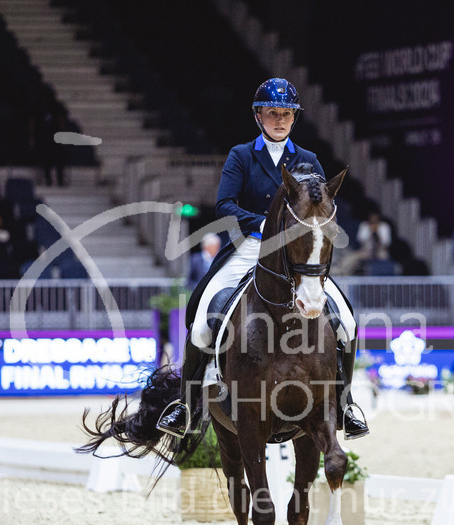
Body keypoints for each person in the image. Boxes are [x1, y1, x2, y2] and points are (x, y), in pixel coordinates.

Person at [156, 77, 368, 440]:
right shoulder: (241, 155)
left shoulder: (307, 160)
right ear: (259, 116)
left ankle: (345, 405)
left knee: (346, 321)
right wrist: (266, 225)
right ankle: (186, 405)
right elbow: (225, 205)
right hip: (251, 244)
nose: (280, 120)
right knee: (204, 313)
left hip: (297, 250)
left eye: (286, 114)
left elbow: (316, 205)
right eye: (273, 113)